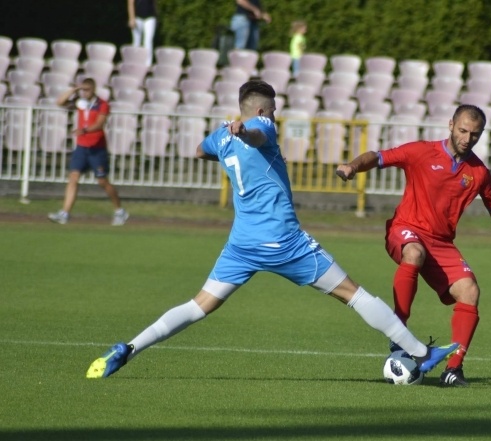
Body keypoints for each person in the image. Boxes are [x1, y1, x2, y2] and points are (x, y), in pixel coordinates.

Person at [85, 80, 458, 380]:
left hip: (242, 245)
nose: (275, 117)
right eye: (275, 110)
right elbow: (257, 135)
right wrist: (245, 131)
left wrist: (227, 137)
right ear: (263, 110)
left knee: (199, 306)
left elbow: (201, 150)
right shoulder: (261, 125)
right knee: (353, 294)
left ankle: (127, 349)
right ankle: (421, 354)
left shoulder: (223, 135)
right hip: (285, 243)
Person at [335, 104, 491, 387]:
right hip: (406, 228)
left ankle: (454, 368)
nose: (467, 138)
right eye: (463, 130)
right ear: (450, 124)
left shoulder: (478, 172)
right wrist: (352, 167)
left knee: (469, 290)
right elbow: (378, 157)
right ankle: (399, 332)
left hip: (441, 243)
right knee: (414, 252)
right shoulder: (422, 151)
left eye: (475, 134)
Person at [48, 78, 128, 226]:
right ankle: (65, 213)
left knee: (102, 181)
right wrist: (73, 90)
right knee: (73, 178)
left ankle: (119, 210)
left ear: (93, 89)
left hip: (96, 148)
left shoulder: (102, 105)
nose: (84, 93)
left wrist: (83, 130)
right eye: (82, 90)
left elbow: (99, 124)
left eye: (87, 90)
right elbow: (60, 102)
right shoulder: (80, 103)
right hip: (81, 147)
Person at [127, 0, 157, 66]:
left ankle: (148, 65)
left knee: (148, 41)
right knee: (136, 41)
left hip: (150, 17)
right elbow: (130, 3)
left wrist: (156, 15)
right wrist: (131, 18)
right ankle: (134, 62)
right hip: (137, 17)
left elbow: (154, 3)